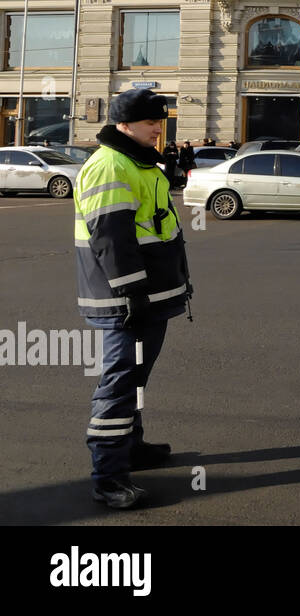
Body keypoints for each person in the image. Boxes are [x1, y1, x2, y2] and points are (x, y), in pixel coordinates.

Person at [74, 88, 193, 510]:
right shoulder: (110, 165)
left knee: (136, 381)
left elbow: (159, 230)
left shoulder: (142, 164)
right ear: (124, 124)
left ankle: (133, 448)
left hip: (149, 295)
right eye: (150, 122)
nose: (158, 128)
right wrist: (130, 292)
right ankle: (108, 478)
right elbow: (111, 237)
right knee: (120, 385)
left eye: (159, 121)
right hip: (124, 300)